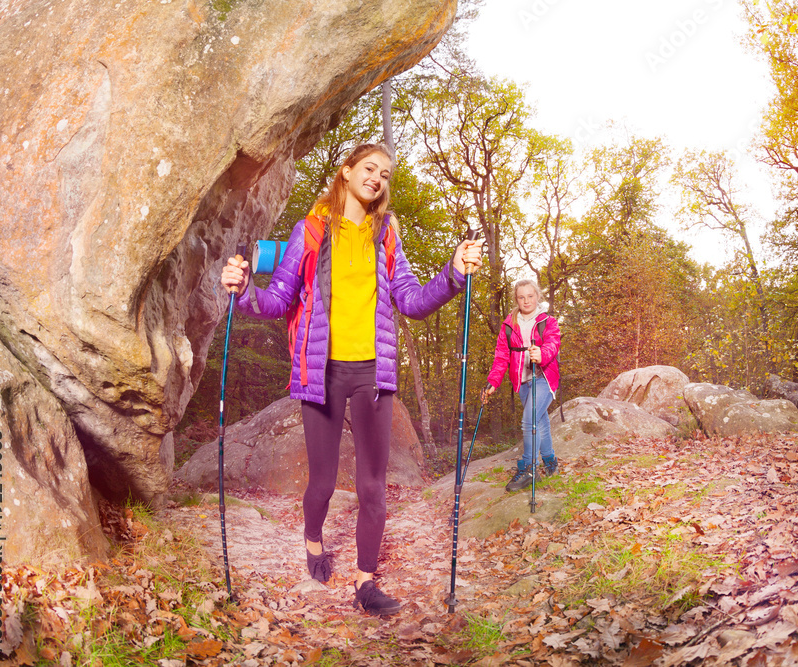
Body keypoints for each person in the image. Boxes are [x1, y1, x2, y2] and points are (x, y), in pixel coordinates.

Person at [220, 142, 483, 616]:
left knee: (372, 487)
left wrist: (454, 274)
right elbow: (278, 299)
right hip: (320, 374)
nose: (377, 178)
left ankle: (365, 583)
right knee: (321, 483)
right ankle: (314, 540)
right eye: (369, 168)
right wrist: (243, 292)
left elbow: (412, 301)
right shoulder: (311, 231)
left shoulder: (385, 238)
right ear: (346, 172)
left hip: (372, 377)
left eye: (385, 173)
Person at [482, 279, 561, 492]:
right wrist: (493, 381)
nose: (526, 300)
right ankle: (550, 461)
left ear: (537, 296)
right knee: (540, 420)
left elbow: (553, 345)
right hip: (522, 381)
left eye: (530, 296)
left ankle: (528, 469)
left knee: (529, 420)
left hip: (543, 377)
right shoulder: (510, 324)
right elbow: (501, 356)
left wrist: (541, 354)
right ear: (516, 299)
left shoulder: (548, 322)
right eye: (521, 297)